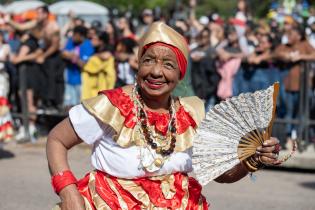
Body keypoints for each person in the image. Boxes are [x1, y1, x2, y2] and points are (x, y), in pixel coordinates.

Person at [47, 22, 281, 210]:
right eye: (148, 60)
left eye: (168, 64)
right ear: (137, 65)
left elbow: (220, 174)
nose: (156, 72)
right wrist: (68, 190)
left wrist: (252, 159)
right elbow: (57, 140)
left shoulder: (192, 115)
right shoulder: (113, 106)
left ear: (180, 74)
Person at [62, 25, 94, 107]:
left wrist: (71, 56)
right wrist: (73, 57)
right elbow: (63, 53)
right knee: (68, 106)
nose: (72, 37)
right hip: (69, 79)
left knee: (79, 106)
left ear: (81, 35)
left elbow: (82, 64)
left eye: (74, 35)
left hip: (81, 81)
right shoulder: (70, 42)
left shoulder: (88, 45)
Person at [81, 31, 116, 100]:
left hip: (105, 87)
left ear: (101, 41)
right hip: (94, 87)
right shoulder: (94, 51)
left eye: (94, 39)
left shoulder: (108, 52)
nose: (91, 41)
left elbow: (106, 56)